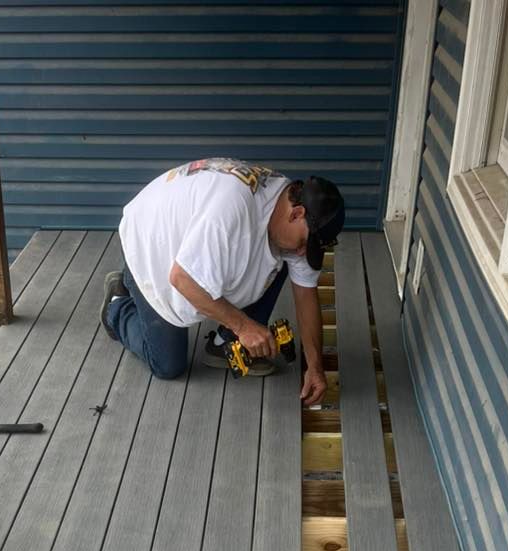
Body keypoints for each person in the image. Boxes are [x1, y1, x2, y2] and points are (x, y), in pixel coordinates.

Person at [100, 158, 344, 406]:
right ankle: (118, 303)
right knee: (167, 365)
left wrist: (315, 367)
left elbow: (306, 295)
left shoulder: (285, 210)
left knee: (282, 255)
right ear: (297, 213)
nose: (303, 252)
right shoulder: (232, 209)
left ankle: (224, 343)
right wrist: (244, 327)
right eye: (305, 243)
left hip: (195, 242)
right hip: (152, 246)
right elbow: (182, 279)